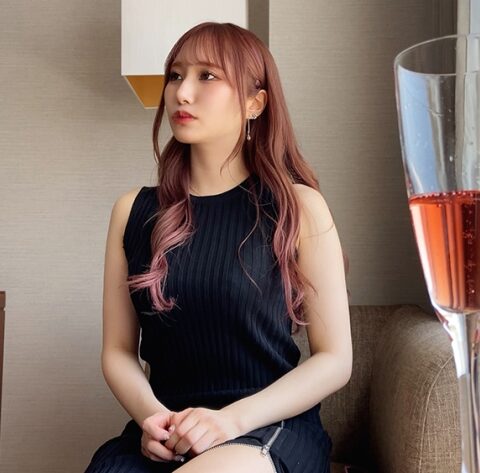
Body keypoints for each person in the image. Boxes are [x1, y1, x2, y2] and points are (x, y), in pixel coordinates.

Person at [84, 21, 352, 473]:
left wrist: (230, 421)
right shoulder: (132, 211)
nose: (182, 93)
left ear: (254, 103)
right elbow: (117, 350)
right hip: (163, 433)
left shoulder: (299, 207)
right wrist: (153, 419)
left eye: (207, 76)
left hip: (266, 427)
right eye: (175, 75)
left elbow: (335, 360)